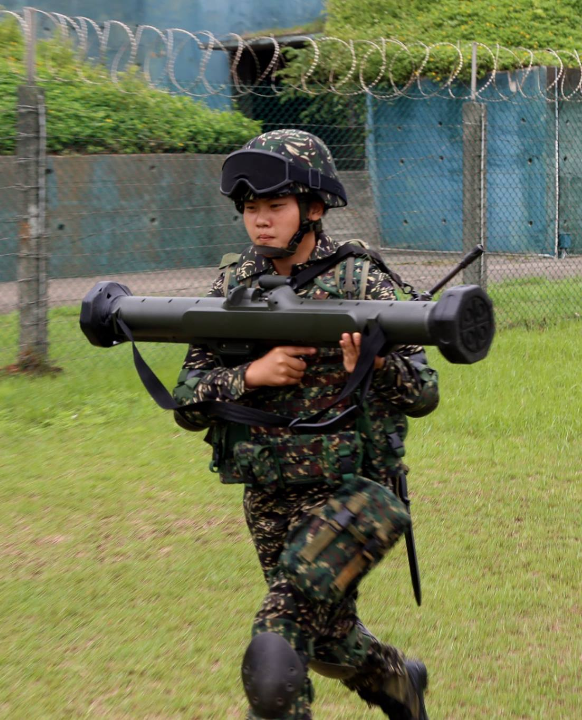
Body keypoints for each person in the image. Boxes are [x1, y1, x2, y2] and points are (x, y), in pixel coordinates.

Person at [171, 129, 438, 720]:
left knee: (278, 637)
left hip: (355, 496)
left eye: (274, 206)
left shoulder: (361, 279)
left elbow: (423, 392)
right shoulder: (233, 286)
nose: (260, 222)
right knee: (326, 640)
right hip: (268, 497)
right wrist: (252, 376)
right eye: (249, 210)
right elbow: (187, 403)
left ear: (313, 208)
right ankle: (398, 682)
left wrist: (371, 365)